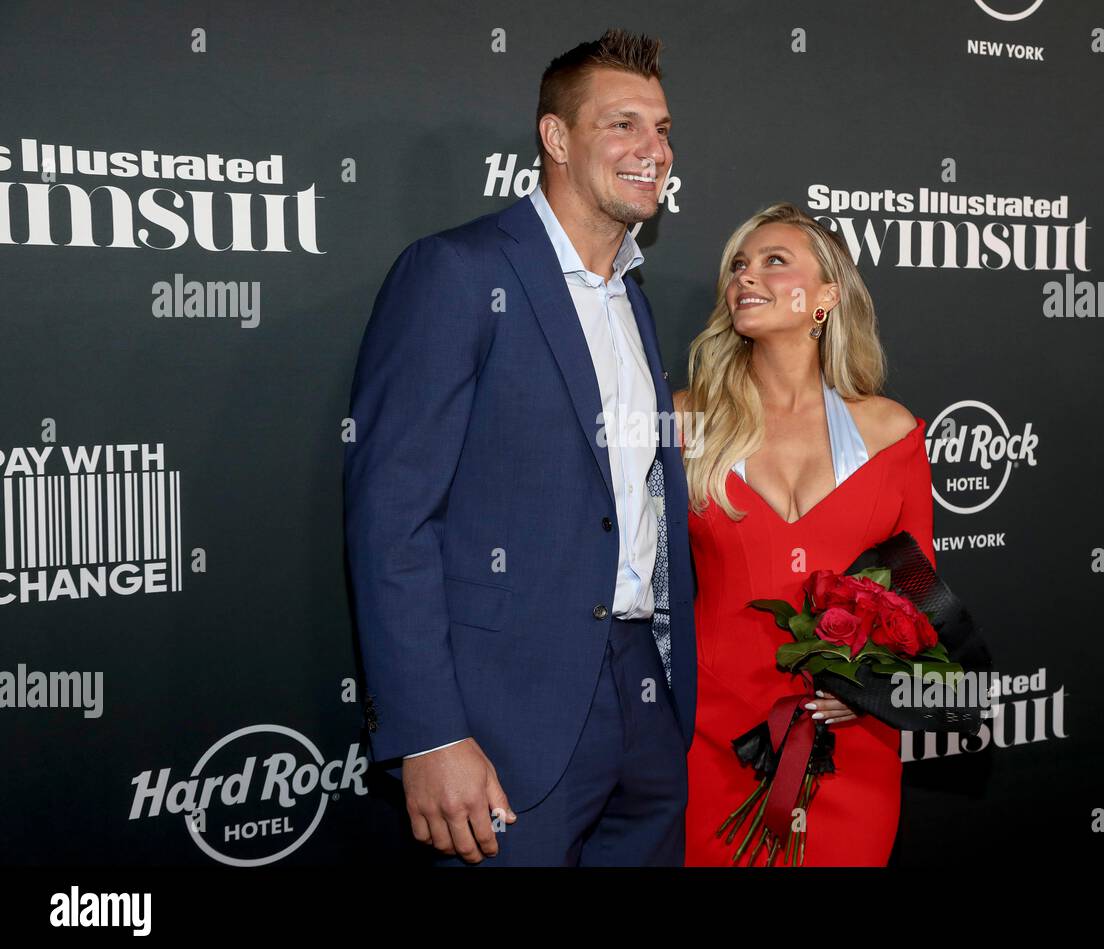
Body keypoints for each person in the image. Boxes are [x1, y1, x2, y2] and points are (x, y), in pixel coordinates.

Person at [343, 29, 695, 866]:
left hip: (642, 695)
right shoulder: (457, 272)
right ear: (556, 138)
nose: (655, 150)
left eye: (664, 127)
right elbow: (393, 517)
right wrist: (428, 733)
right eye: (624, 125)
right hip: (504, 717)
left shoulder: (629, 298)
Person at [672, 202, 935, 866]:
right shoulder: (685, 422)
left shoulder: (889, 430)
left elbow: (921, 588)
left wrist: (871, 689)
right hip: (708, 730)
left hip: (850, 733)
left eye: (773, 261)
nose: (746, 277)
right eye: (738, 265)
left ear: (826, 296)